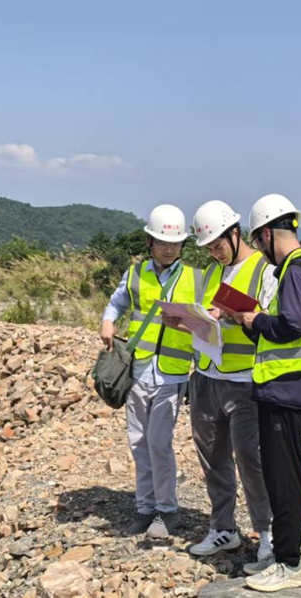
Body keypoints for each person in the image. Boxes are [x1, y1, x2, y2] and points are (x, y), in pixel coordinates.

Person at [232, 194, 301, 592]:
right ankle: (282, 557)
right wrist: (249, 320)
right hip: (289, 387)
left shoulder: (295, 269)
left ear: (264, 233)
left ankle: (289, 564)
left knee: (285, 480)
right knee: (284, 476)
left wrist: (257, 319)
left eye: (258, 240)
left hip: (287, 389)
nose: (259, 248)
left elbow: (293, 325)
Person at [99, 204, 201, 539]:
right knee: (139, 442)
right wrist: (108, 321)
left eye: (174, 243)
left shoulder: (196, 279)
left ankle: (167, 511)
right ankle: (144, 508)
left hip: (173, 373)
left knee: (159, 444)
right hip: (140, 370)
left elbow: (209, 322)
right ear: (149, 242)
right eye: (162, 242)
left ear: (183, 245)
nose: (169, 248)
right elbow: (117, 303)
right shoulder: (136, 274)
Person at [182, 200, 276, 561]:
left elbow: (270, 321)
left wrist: (238, 316)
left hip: (245, 381)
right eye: (208, 248)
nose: (215, 253)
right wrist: (193, 319)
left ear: (235, 234)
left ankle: (266, 532)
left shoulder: (262, 269)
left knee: (251, 458)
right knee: (213, 459)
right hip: (206, 377)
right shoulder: (210, 273)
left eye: (218, 246)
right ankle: (223, 528)